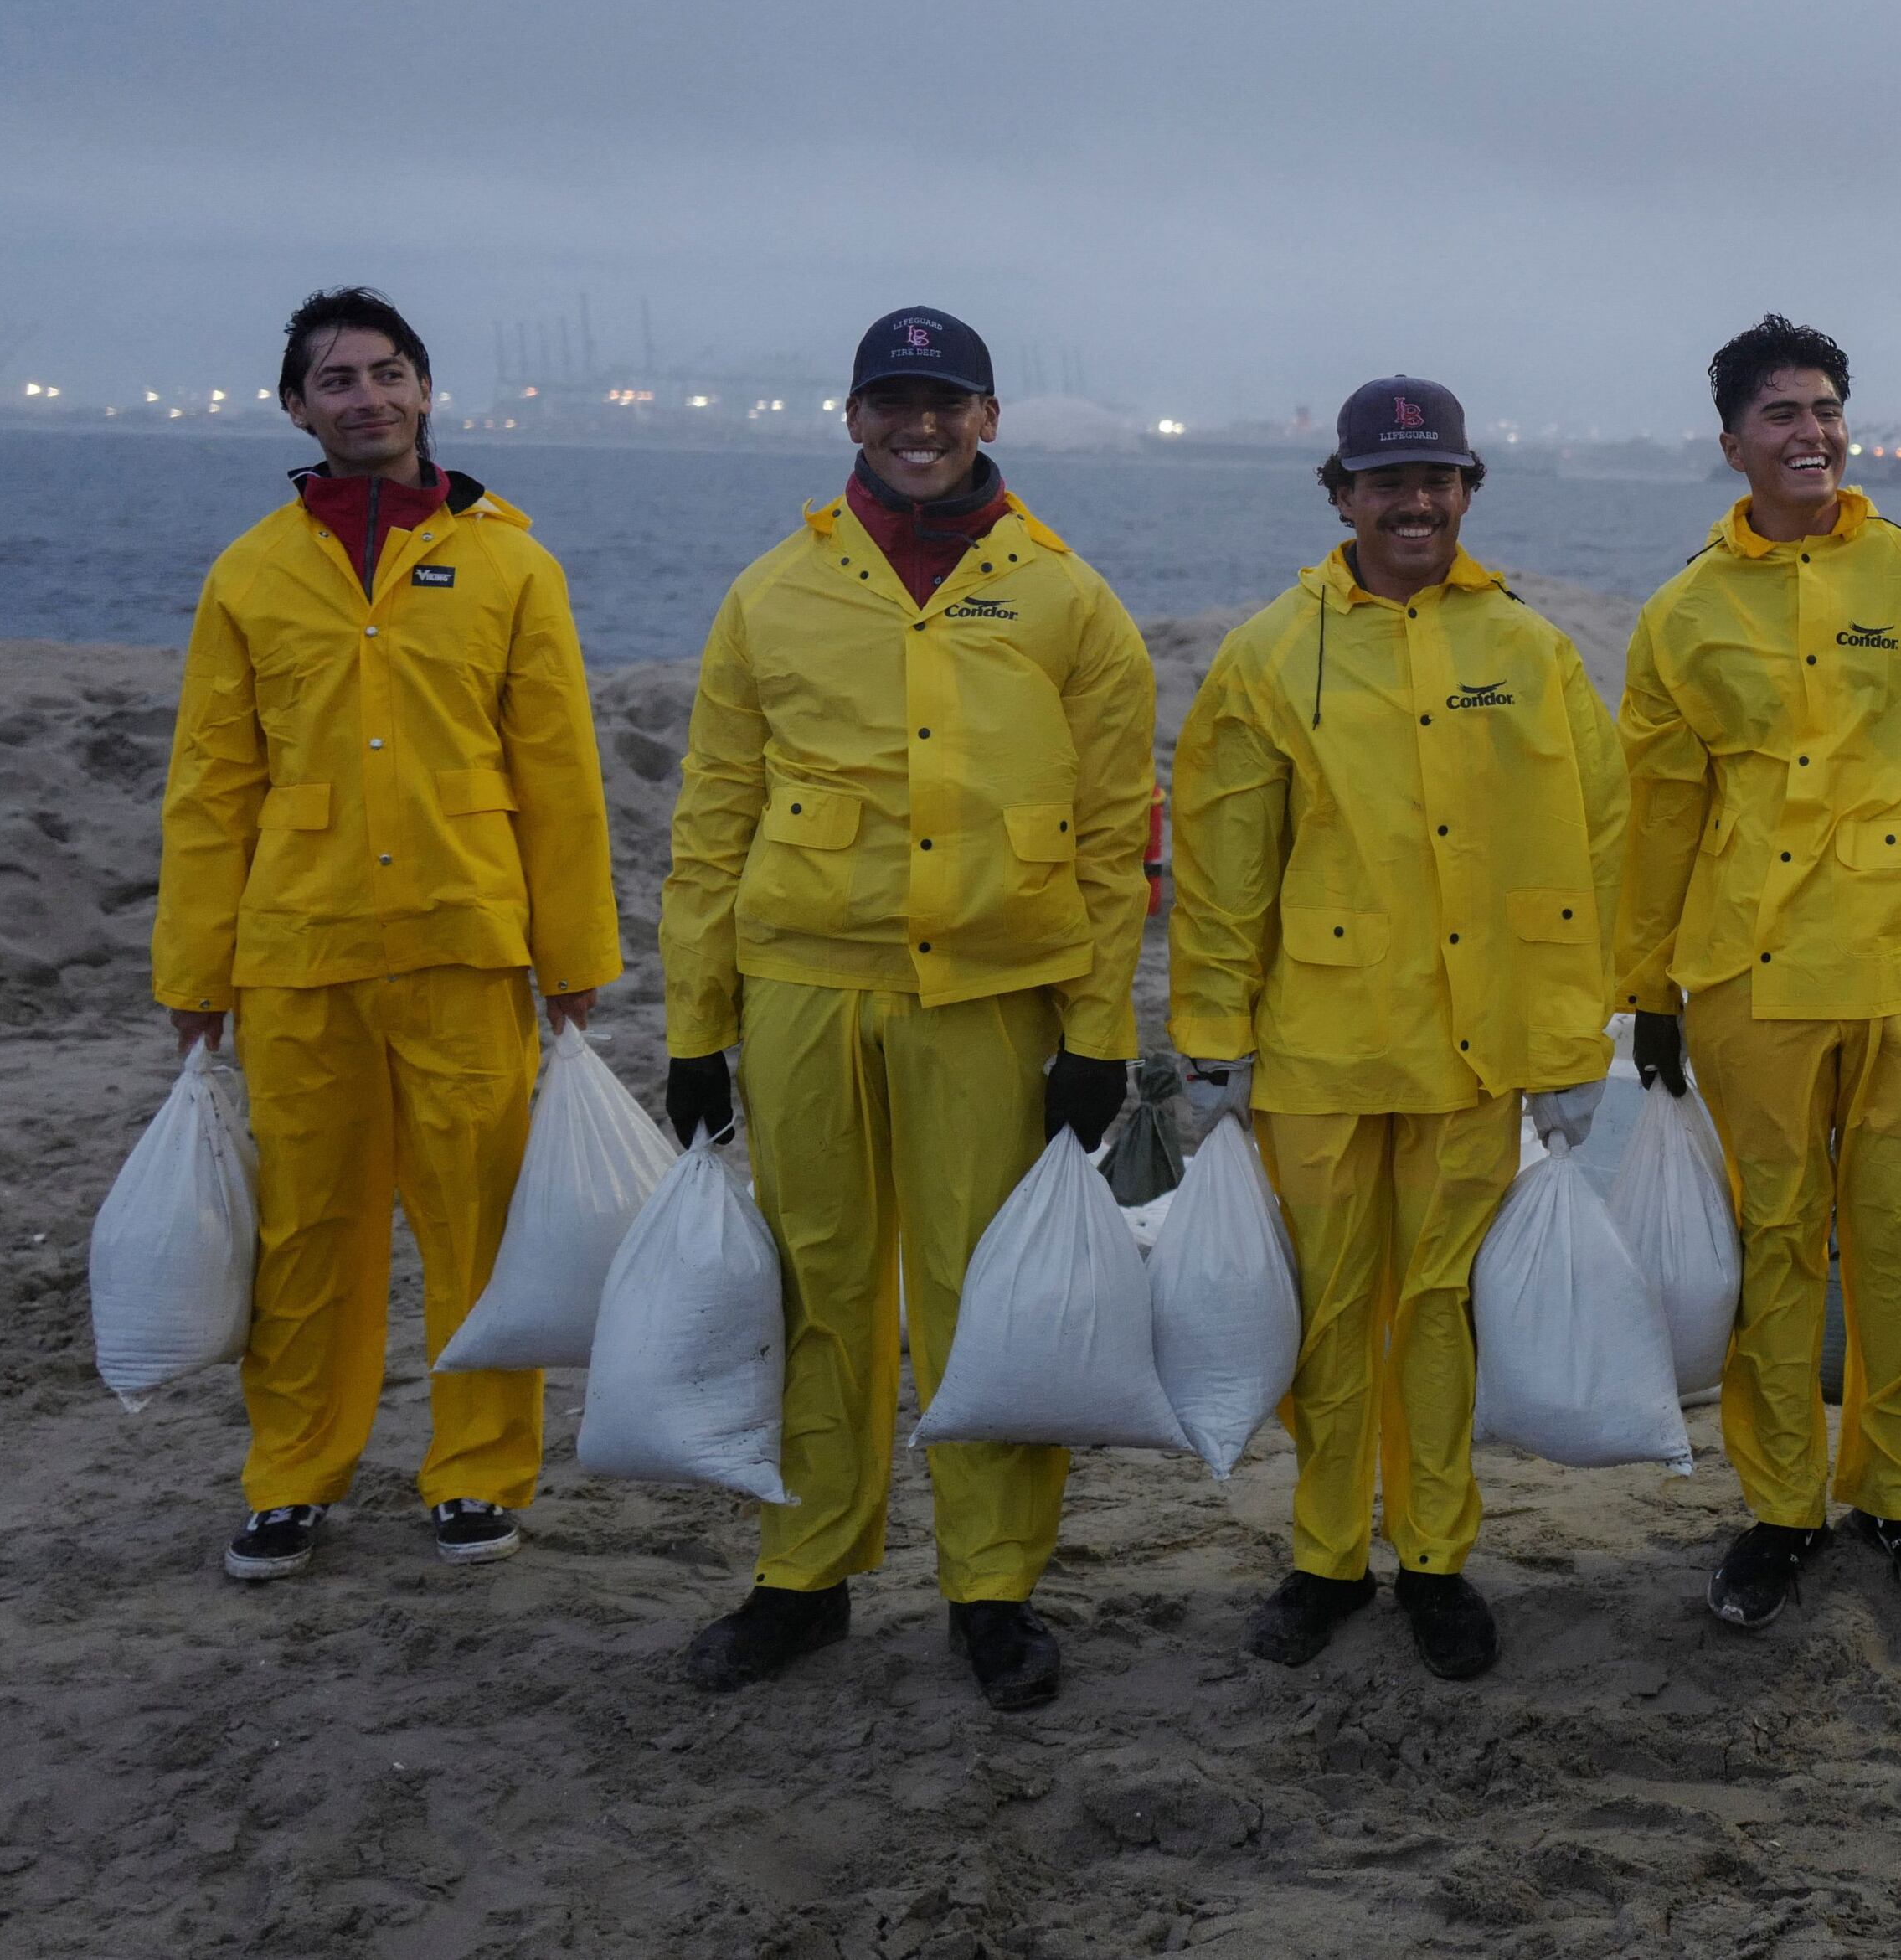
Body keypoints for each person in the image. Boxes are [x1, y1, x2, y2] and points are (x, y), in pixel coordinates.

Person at [658, 306, 1157, 1713]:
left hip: (990, 998)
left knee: (977, 1298)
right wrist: (697, 1021)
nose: (917, 424)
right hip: (804, 983)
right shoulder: (773, 593)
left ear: (990, 416)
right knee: (818, 1285)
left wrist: (1099, 1030)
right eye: (892, 400)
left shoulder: (1069, 599)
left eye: (945, 399)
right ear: (853, 415)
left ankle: (991, 1586)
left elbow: (1118, 831)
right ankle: (803, 1574)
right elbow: (712, 815)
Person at [153, 286, 622, 1584]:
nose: (365, 396)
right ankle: (292, 1476)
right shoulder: (250, 574)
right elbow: (209, 785)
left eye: (386, 372)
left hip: (466, 938)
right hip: (296, 953)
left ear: (426, 389)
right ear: (296, 406)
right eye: (336, 379)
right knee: (309, 1230)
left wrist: (575, 955)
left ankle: (476, 1472)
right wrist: (194, 973)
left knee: (478, 1223)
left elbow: (561, 774)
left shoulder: (511, 564)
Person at [1166, 377, 1622, 1684]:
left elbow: (1590, 842)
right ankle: (1322, 1558)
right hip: (1318, 1047)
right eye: (1386, 480)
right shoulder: (1270, 653)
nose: (1414, 501)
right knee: (1325, 1310)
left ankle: (1433, 1556)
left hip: (1475, 1053)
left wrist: (1572, 1045)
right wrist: (1212, 1033)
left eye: (1437, 479)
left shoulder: (1527, 651)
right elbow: (1225, 861)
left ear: (1468, 489)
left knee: (1436, 1311)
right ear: (1340, 494)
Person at [1622, 316, 1901, 1632]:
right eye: (1783, 413)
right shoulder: (1686, 612)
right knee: (1775, 1249)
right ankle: (1782, 1508)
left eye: (1828, 409)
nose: (1812, 432)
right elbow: (1660, 810)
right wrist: (1649, 987)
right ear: (1732, 440)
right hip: (1753, 978)